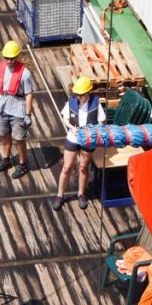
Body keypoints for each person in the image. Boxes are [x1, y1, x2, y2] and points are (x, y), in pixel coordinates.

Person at [53, 76, 106, 211]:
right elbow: (64, 118)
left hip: (88, 140)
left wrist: (93, 131)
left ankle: (81, 194)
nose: (79, 97)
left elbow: (101, 122)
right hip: (73, 138)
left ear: (88, 93)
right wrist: (72, 128)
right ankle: (60, 195)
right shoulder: (71, 102)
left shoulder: (95, 103)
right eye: (77, 94)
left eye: (81, 95)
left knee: (83, 167)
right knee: (67, 167)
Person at [0, 40, 34, 179]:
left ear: (17, 57)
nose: (9, 61)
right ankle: (6, 160)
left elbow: (28, 94)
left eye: (12, 58)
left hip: (18, 111)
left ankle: (22, 164)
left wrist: (27, 114)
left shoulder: (25, 74)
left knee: (19, 138)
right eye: (6, 58)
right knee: (4, 135)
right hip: (3, 109)